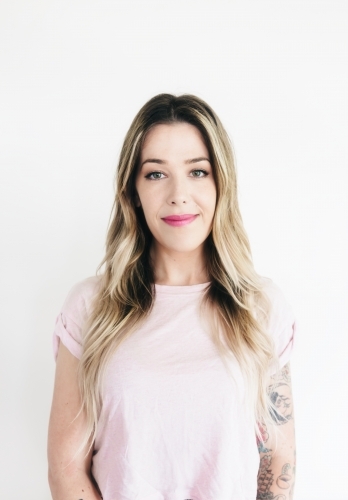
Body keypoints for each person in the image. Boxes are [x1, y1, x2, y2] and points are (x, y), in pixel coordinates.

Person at [47, 93, 297, 500]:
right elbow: (65, 468)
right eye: (156, 174)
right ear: (133, 191)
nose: (179, 194)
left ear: (221, 183)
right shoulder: (90, 308)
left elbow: (278, 459)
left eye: (198, 172)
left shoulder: (261, 307)